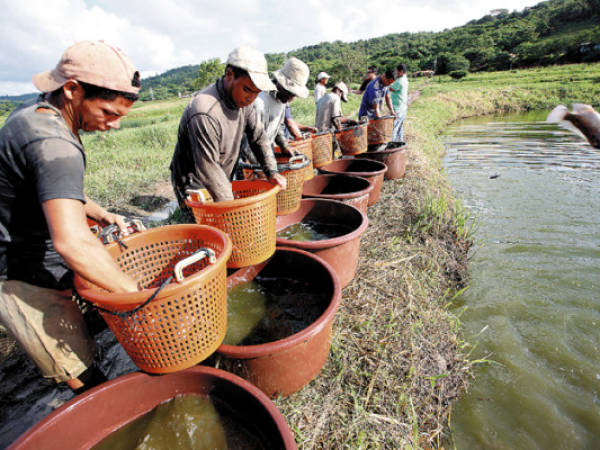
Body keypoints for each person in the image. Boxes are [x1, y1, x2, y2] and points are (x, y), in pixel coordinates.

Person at [0, 40, 142, 393]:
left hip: (37, 248)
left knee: (90, 318)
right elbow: (73, 242)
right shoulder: (54, 144)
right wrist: (135, 294)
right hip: (19, 273)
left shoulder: (35, 114)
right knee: (79, 372)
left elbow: (49, 187)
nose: (114, 126)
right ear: (72, 90)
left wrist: (99, 211)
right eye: (108, 113)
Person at [170, 46, 287, 205]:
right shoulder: (205, 112)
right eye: (247, 89)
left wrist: (272, 172)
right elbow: (208, 168)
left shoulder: (245, 103)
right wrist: (231, 207)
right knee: (202, 223)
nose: (251, 98)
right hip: (195, 181)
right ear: (230, 75)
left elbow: (259, 138)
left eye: (256, 92)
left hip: (221, 171)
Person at [251, 57, 311, 155]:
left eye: (293, 95)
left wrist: (284, 145)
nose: (291, 99)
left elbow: (276, 126)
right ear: (279, 82)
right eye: (288, 93)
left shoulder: (281, 100)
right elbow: (250, 142)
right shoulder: (259, 102)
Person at [389, 63, 409, 143]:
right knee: (400, 128)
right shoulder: (404, 78)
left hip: (397, 108)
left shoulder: (400, 81)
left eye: (397, 71)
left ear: (401, 71)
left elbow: (390, 88)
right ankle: (399, 143)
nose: (396, 73)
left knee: (394, 128)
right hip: (402, 107)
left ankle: (392, 144)